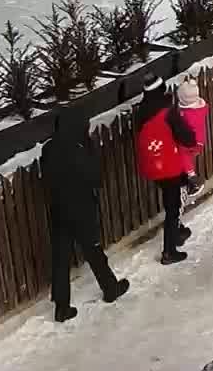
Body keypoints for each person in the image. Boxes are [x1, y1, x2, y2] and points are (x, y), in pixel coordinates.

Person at [41, 119, 130, 321]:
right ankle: (110, 287)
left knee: (61, 258)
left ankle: (62, 306)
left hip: (58, 209)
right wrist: (90, 149)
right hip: (80, 209)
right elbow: (95, 177)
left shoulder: (49, 149)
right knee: (93, 250)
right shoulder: (78, 150)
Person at [132, 75, 199, 265]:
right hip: (169, 166)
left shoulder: (141, 112)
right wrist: (192, 140)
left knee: (173, 196)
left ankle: (177, 231)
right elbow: (186, 136)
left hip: (152, 167)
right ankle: (169, 250)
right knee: (173, 206)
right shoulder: (167, 112)